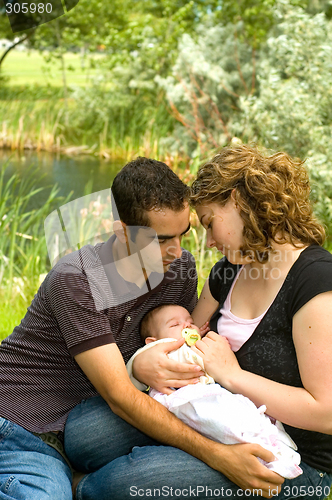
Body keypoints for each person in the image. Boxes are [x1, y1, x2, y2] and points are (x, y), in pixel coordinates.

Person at [126, 303, 302, 480]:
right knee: (227, 426)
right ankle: (268, 452)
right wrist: (213, 350)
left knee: (244, 412)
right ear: (152, 341)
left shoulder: (188, 344)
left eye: (190, 322)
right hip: (188, 403)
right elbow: (192, 360)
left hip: (210, 396)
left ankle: (273, 442)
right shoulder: (164, 351)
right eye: (175, 325)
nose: (187, 326)